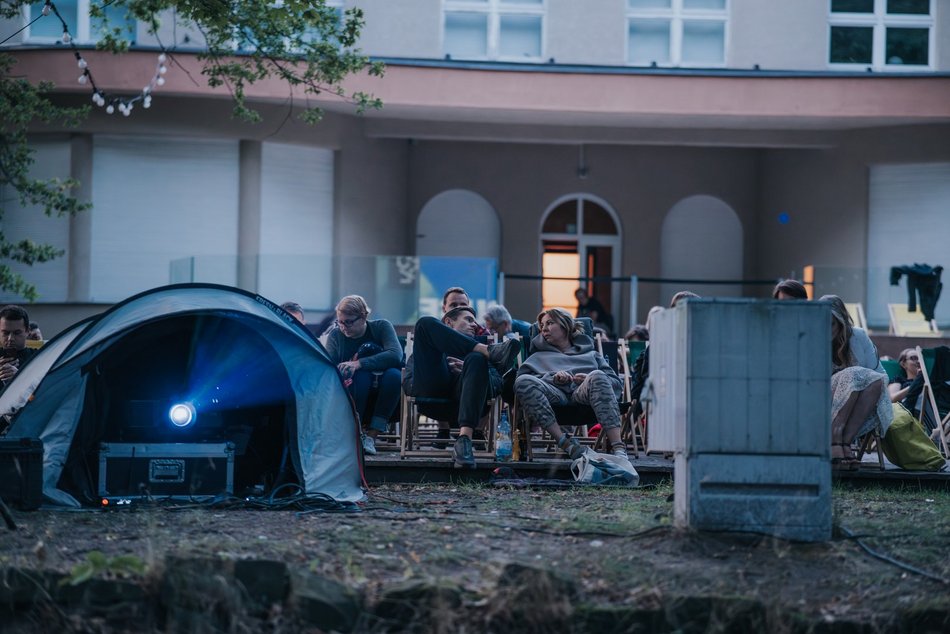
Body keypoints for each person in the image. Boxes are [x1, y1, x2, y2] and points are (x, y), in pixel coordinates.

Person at [403, 304, 519, 468]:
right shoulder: (429, 349)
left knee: (476, 359)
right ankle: (485, 350)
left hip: (470, 405)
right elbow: (409, 381)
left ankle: (464, 441)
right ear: (449, 322)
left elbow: (496, 384)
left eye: (475, 321)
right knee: (424, 323)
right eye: (469, 319)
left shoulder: (478, 358)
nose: (475, 325)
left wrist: (468, 372)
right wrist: (440, 367)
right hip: (431, 395)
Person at [514, 307, 628, 461]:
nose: (544, 329)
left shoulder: (591, 354)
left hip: (583, 396)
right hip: (554, 394)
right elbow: (523, 382)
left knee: (598, 375)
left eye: (549, 323)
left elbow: (616, 384)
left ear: (565, 326)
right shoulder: (538, 356)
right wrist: (552, 378)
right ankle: (566, 443)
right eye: (542, 326)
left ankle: (619, 449)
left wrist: (589, 379)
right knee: (523, 381)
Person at [324, 296, 403, 456]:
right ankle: (355, 433)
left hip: (386, 387)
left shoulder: (381, 327)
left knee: (394, 376)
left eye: (349, 322)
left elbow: (395, 354)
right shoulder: (336, 335)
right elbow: (329, 367)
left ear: (363, 316)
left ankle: (371, 437)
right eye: (340, 322)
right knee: (359, 377)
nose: (344, 327)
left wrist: (359, 363)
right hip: (353, 388)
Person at [822, 294, 892, 470]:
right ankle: (834, 438)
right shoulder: (812, 338)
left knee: (875, 381)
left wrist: (860, 378)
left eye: (830, 323)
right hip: (822, 398)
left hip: (859, 404)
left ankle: (844, 442)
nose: (825, 328)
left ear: (841, 321)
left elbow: (880, 374)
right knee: (853, 374)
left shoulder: (859, 336)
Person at [0, 305, 37, 391]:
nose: (10, 338)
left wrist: (20, 379)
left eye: (17, 333)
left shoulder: (39, 358)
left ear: (27, 331)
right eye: (5, 333)